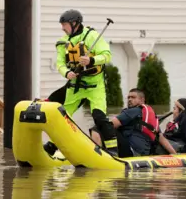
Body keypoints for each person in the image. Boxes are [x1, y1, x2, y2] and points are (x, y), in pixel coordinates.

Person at [44, 9, 118, 156]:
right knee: (62, 118)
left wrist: (91, 60)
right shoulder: (62, 43)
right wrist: (67, 73)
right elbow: (60, 64)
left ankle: (113, 151)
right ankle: (52, 146)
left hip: (95, 86)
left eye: (64, 25)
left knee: (99, 117)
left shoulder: (92, 36)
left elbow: (107, 56)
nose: (62, 28)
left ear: (74, 23)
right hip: (75, 87)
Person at [90, 88, 177, 157]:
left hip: (130, 150)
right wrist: (175, 154)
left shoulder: (133, 111)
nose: (130, 99)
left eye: (133, 97)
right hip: (142, 153)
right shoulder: (150, 115)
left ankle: (98, 156)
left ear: (142, 100)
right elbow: (161, 138)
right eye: (128, 97)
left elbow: (109, 126)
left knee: (98, 127)